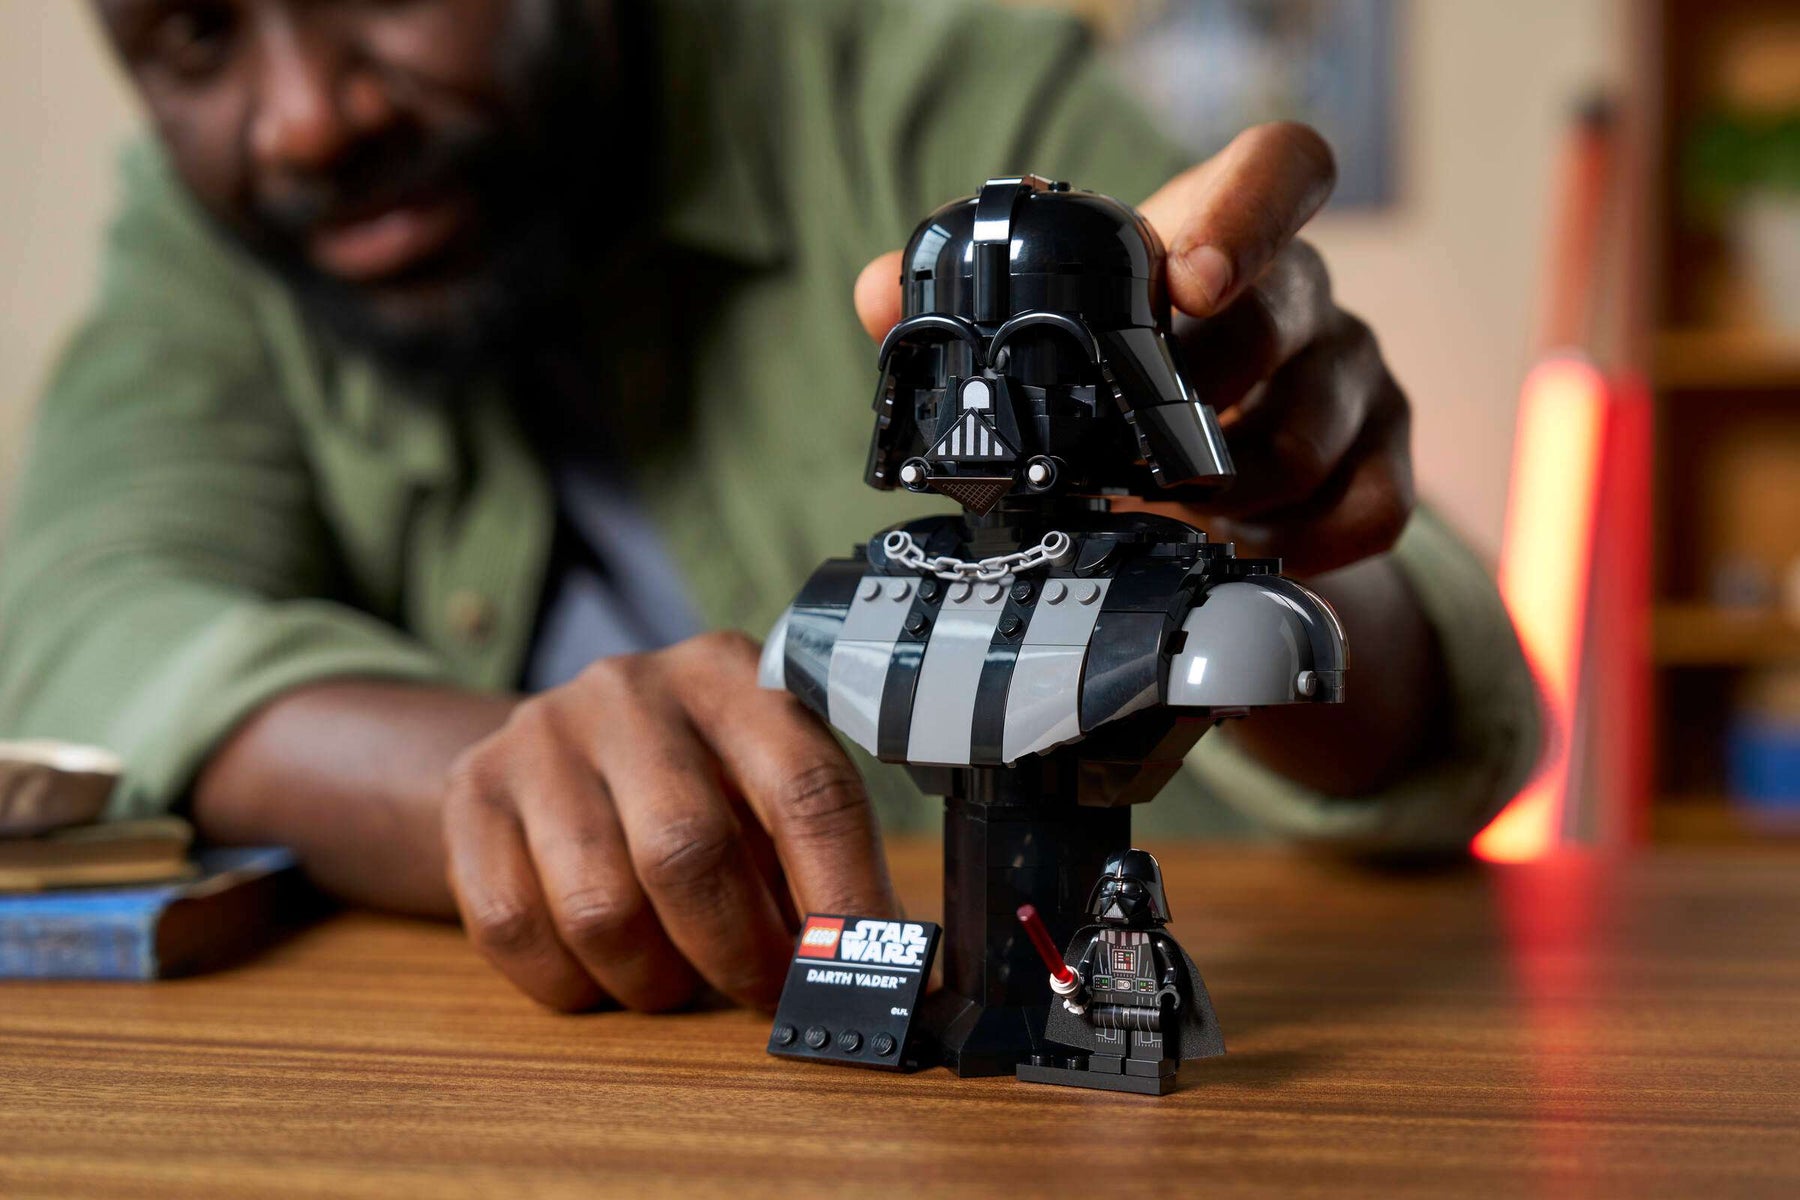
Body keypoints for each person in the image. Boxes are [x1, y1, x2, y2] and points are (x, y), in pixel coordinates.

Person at [0, 0, 1539, 1015]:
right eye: (192, 35)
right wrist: (503, 778)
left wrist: (1255, 513)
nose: (302, 121)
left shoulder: (916, 79)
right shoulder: (211, 236)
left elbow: (1431, 706)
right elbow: (77, 617)